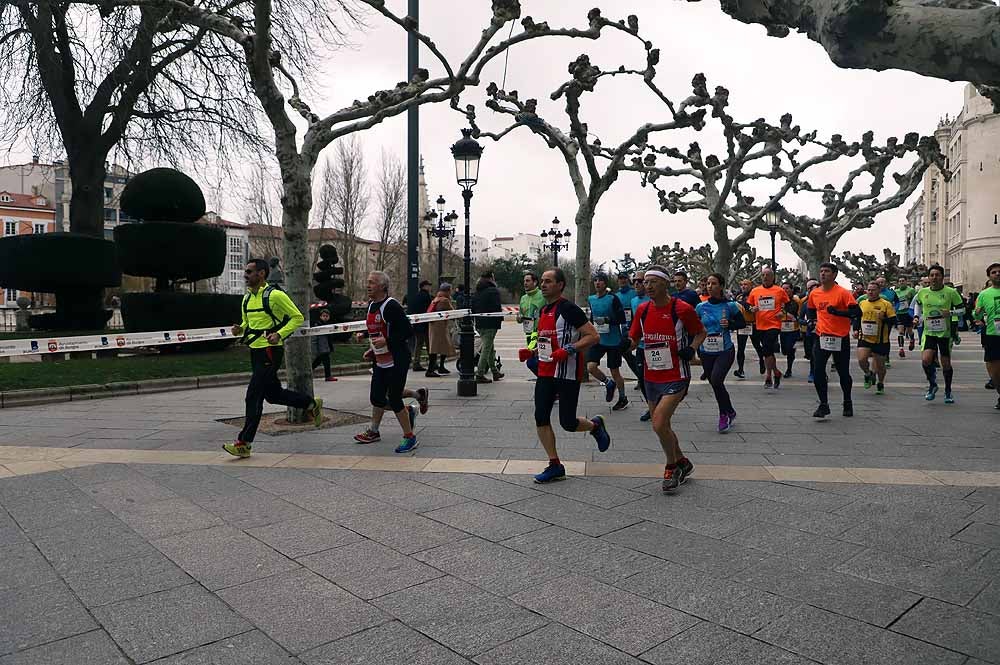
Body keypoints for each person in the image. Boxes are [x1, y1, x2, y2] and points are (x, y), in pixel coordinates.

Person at [517, 268, 611, 483]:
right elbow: (546, 340)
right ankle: (555, 465)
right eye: (542, 281)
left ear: (560, 285)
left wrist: (568, 350)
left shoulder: (569, 309)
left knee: (568, 423)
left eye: (548, 281)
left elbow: (593, 336)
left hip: (567, 373)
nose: (543, 285)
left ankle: (595, 425)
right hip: (545, 371)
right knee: (540, 416)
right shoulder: (543, 310)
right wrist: (531, 352)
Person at [226, 259, 323, 458]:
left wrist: (279, 334)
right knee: (273, 395)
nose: (245, 275)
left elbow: (297, 317)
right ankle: (310, 404)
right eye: (246, 271)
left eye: (249, 272)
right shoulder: (246, 298)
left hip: (270, 352)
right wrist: (240, 328)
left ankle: (244, 442)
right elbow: (247, 323)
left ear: (261, 274)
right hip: (255, 351)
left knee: (253, 395)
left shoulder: (275, 295)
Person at [629, 265, 707, 493]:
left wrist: (691, 348)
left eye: (653, 282)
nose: (648, 286)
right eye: (646, 282)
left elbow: (700, 332)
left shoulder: (682, 309)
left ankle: (671, 467)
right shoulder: (642, 310)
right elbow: (634, 338)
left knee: (659, 423)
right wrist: (625, 345)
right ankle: (683, 460)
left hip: (676, 375)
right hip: (651, 376)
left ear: (666, 284)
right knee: (662, 426)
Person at [353, 271, 429, 453]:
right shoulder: (371, 305)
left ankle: (409, 437)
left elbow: (407, 332)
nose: (368, 285)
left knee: (394, 398)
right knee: (377, 398)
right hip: (380, 360)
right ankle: (377, 430)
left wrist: (387, 342)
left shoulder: (391, 306)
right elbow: (377, 329)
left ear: (382, 286)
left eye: (372, 283)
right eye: (368, 282)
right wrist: (366, 338)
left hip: (397, 359)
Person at [806, 262, 859, 418]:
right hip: (821, 336)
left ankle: (847, 401)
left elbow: (856, 312)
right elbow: (810, 309)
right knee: (818, 371)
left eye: (827, 271)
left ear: (834, 275)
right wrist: (811, 321)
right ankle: (823, 405)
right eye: (821, 271)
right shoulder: (815, 293)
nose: (823, 274)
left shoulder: (843, 293)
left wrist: (837, 312)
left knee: (843, 373)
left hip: (840, 337)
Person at [695, 273, 746, 433]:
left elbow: (742, 323)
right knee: (715, 384)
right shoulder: (700, 307)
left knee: (717, 380)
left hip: (725, 349)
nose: (710, 286)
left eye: (714, 283)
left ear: (721, 286)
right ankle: (730, 410)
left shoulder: (730, 306)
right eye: (708, 283)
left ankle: (723, 415)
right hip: (706, 350)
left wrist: (730, 323)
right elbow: (694, 328)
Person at [913, 265, 965, 403]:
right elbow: (918, 304)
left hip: (945, 333)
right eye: (932, 275)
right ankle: (932, 384)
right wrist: (917, 317)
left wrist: (951, 313)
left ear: (942, 277)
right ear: (928, 277)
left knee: (946, 364)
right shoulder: (922, 292)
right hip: (929, 332)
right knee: (926, 360)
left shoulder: (951, 292)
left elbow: (962, 310)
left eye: (937, 275)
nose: (934, 277)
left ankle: (948, 391)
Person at [587, 273, 629, 410]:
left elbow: (622, 319)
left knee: (615, 371)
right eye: (595, 281)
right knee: (591, 367)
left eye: (600, 281)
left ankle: (623, 398)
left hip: (614, 341)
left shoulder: (612, 298)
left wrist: (608, 320)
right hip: (599, 339)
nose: (597, 283)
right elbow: (592, 317)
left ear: (605, 283)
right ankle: (608, 383)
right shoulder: (591, 299)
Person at [747, 266, 790, 390]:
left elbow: (787, 305)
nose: (765, 277)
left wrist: (783, 312)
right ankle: (776, 372)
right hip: (760, 325)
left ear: (773, 277)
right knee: (768, 351)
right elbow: (749, 305)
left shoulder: (779, 290)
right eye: (763, 275)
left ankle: (768, 376)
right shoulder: (755, 291)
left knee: (766, 348)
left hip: (774, 324)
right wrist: (752, 309)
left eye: (768, 275)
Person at [855, 281, 896, 395]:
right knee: (861, 359)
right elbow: (857, 318)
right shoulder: (862, 303)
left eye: (873, 290)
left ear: (878, 291)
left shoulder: (885, 304)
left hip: (881, 340)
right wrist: (855, 329)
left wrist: (884, 319)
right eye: (869, 290)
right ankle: (868, 374)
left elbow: (894, 320)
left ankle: (880, 383)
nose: (870, 292)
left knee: (880, 366)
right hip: (865, 337)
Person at [972, 263, 1000, 410]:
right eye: (994, 272)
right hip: (992, 333)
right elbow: (975, 314)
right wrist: (977, 314)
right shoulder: (984, 294)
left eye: (999, 272)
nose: (997, 274)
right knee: (993, 368)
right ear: (989, 276)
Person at [473, 271, 504, 383]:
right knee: (486, 349)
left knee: (490, 348)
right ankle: (480, 373)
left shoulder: (477, 291)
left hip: (480, 323)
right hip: (491, 323)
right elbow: (497, 306)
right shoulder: (493, 291)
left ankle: (495, 372)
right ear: (491, 278)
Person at [630, 271, 652, 421]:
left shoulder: (653, 299)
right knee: (642, 378)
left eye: (640, 281)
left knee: (656, 379)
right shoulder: (633, 301)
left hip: (657, 347)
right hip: (641, 346)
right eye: (635, 281)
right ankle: (652, 407)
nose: (637, 283)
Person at [426, 283, 455, 377]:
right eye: (450, 290)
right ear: (447, 291)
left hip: (433, 325)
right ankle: (431, 369)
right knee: (438, 347)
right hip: (441, 327)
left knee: (439, 347)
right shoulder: (445, 300)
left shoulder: (436, 298)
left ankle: (439, 367)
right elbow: (452, 311)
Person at [733, 279, 760, 379]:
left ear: (751, 285)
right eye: (742, 284)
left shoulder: (755, 295)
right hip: (742, 325)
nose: (743, 286)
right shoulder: (739, 297)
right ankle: (740, 370)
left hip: (753, 324)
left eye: (746, 284)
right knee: (741, 349)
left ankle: (762, 360)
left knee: (757, 345)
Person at [408, 280, 434, 372]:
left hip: (416, 323)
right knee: (428, 343)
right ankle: (432, 363)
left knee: (419, 343)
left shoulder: (415, 296)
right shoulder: (426, 296)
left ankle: (416, 362)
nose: (430, 287)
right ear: (425, 286)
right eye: (429, 286)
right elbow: (429, 309)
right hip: (424, 324)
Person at [779, 281, 801, 378]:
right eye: (783, 289)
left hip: (793, 328)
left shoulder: (796, 300)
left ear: (792, 290)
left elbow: (796, 313)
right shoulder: (779, 301)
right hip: (782, 328)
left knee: (790, 349)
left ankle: (789, 369)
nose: (785, 290)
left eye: (787, 288)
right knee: (784, 350)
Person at [800, 279, 820, 383]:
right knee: (812, 354)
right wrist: (808, 322)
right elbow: (800, 319)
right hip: (810, 333)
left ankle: (820, 373)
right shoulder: (805, 304)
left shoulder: (825, 303)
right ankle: (812, 372)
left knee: (819, 355)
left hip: (823, 333)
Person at [518, 271, 545, 346]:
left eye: (528, 281)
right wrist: (519, 318)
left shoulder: (543, 295)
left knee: (540, 356)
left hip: (542, 333)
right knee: (530, 353)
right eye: (524, 281)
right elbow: (520, 315)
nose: (525, 283)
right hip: (528, 333)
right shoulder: (523, 298)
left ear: (535, 282)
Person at [310, 308, 337, 382]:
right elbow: (314, 338)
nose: (325, 317)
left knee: (318, 361)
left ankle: (308, 371)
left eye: (327, 316)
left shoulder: (328, 325)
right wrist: (315, 348)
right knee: (326, 362)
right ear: (320, 316)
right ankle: (328, 376)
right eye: (323, 316)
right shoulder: (317, 325)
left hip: (326, 346)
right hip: (321, 347)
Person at [893, 277, 917, 357]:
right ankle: (901, 349)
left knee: (909, 331)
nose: (901, 282)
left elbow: (916, 301)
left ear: (906, 282)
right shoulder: (895, 292)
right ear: (898, 283)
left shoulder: (911, 290)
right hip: (899, 313)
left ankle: (912, 340)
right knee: (901, 332)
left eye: (903, 281)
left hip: (908, 313)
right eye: (900, 281)